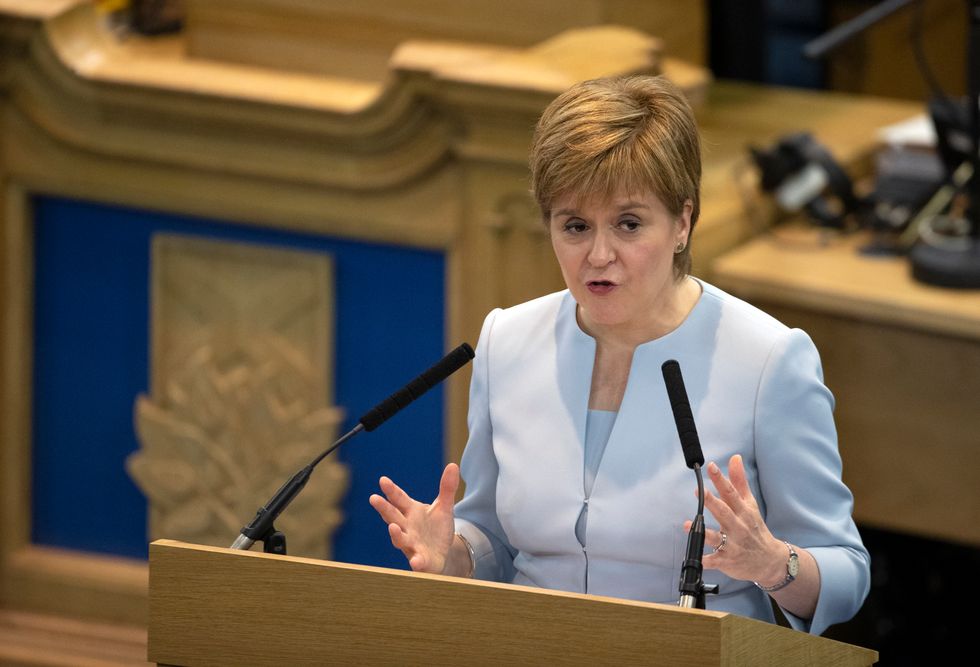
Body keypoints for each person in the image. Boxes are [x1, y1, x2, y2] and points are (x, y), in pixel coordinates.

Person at [369, 75, 869, 636]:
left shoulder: (768, 360)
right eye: (575, 226)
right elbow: (495, 537)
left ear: (682, 222)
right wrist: (453, 557)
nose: (599, 255)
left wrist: (774, 563)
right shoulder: (507, 341)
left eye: (629, 225)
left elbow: (846, 575)